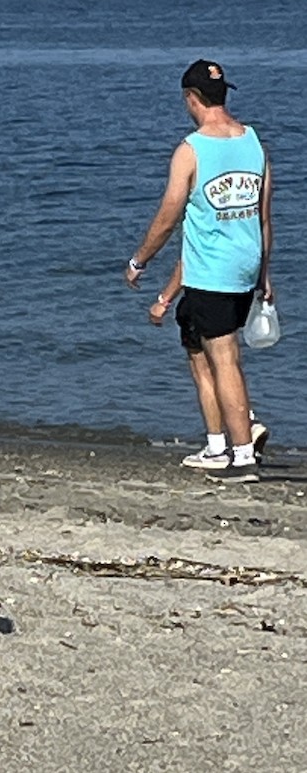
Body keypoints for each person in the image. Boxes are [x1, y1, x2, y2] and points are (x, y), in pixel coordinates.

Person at [125, 59, 273, 482]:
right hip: (243, 267)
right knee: (200, 344)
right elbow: (264, 216)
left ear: (191, 99)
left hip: (213, 271)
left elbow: (168, 216)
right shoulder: (254, 142)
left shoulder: (191, 150)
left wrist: (140, 261)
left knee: (225, 358)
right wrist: (265, 273)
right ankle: (218, 444)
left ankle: (242, 454)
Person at [149, 258, 269, 469]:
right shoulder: (243, 223)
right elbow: (263, 233)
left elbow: (188, 259)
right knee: (227, 363)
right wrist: (263, 277)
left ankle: (218, 447)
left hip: (205, 291)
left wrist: (164, 300)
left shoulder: (199, 225)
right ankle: (246, 422)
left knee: (204, 370)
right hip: (238, 286)